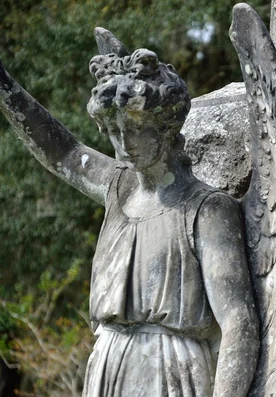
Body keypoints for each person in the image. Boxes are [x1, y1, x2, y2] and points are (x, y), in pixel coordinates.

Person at [0, 28, 259, 396]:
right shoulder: (117, 186)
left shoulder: (206, 210)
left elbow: (237, 321)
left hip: (171, 371)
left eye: (135, 130)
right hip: (108, 364)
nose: (123, 145)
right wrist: (6, 89)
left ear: (166, 125)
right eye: (113, 131)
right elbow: (65, 153)